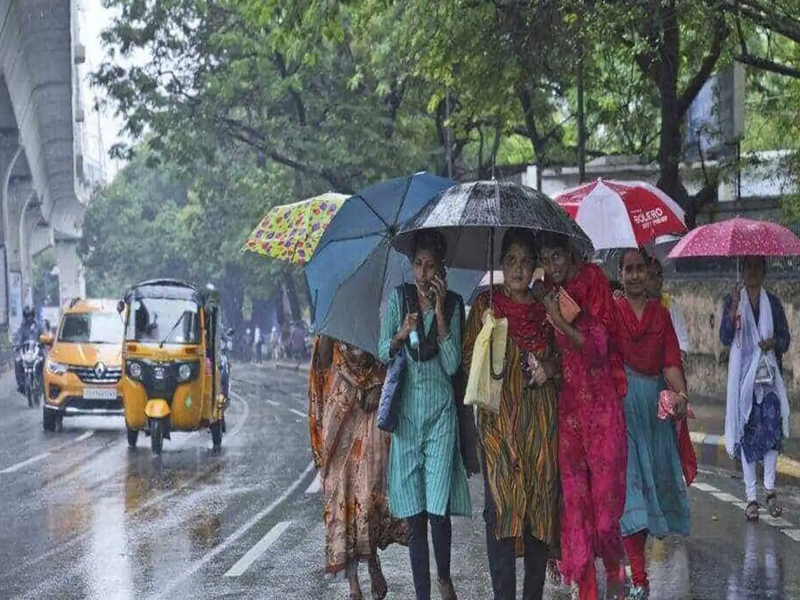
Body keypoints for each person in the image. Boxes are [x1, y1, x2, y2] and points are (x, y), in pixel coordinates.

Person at [463, 228, 561, 600]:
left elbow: (565, 358)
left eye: (525, 261)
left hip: (539, 421)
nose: (519, 269)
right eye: (511, 260)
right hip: (498, 425)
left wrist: (547, 368)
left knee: (538, 504)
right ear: (501, 264)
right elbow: (468, 362)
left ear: (535, 265)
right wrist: (490, 336)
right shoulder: (485, 307)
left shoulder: (547, 309)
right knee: (501, 508)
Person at [379, 229, 470, 600]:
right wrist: (401, 334)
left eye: (430, 265)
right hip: (408, 418)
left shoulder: (454, 304)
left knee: (437, 508)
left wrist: (440, 315)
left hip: (441, 415)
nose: (422, 271)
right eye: (417, 264)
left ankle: (444, 577)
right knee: (415, 515)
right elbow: (383, 352)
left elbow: (451, 365)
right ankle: (422, 594)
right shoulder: (398, 301)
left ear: (440, 269)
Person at [537, 233, 628, 600]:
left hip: (602, 410)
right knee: (575, 509)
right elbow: (553, 352)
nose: (551, 266)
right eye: (545, 258)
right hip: (569, 410)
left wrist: (561, 322)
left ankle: (616, 573)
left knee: (605, 516)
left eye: (556, 256)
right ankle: (588, 591)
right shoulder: (546, 288)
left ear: (571, 253)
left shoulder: (593, 280)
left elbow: (598, 349)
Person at [615, 249, 692, 600]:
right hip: (621, 407)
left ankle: (638, 572)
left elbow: (671, 364)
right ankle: (640, 578)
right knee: (631, 489)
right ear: (620, 274)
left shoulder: (662, 317)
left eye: (639, 269)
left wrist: (680, 395)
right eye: (628, 269)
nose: (633, 275)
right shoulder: (611, 312)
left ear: (648, 273)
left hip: (654, 414)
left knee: (649, 490)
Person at [308, 335, 406, 600]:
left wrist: (379, 385)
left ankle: (372, 558)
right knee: (342, 497)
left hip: (372, 408)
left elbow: (392, 357)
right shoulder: (333, 320)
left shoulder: (377, 314)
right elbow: (324, 361)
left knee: (369, 492)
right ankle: (353, 581)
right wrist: (327, 332)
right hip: (339, 411)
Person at [720, 256, 791, 521]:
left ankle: (770, 490)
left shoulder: (772, 303)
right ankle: (751, 497)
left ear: (764, 272)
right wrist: (731, 314)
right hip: (743, 381)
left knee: (771, 431)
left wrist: (773, 342)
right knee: (748, 434)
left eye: (758, 267)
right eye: (748, 267)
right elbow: (726, 338)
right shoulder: (733, 301)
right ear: (742, 270)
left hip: (769, 380)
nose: (752, 272)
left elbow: (785, 339)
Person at [646, 258, 690, 357]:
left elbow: (683, 342)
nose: (658, 280)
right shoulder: (637, 307)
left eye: (659, 274)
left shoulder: (671, 305)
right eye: (652, 276)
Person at [14, 306, 44, 393]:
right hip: (26, 351)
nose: (29, 318)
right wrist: (17, 344)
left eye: (30, 315)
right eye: (27, 316)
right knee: (17, 361)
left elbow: (42, 335)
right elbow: (19, 337)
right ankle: (20, 383)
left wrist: (43, 342)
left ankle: (44, 381)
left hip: (37, 350)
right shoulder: (22, 327)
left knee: (45, 359)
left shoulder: (38, 325)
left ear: (33, 315)